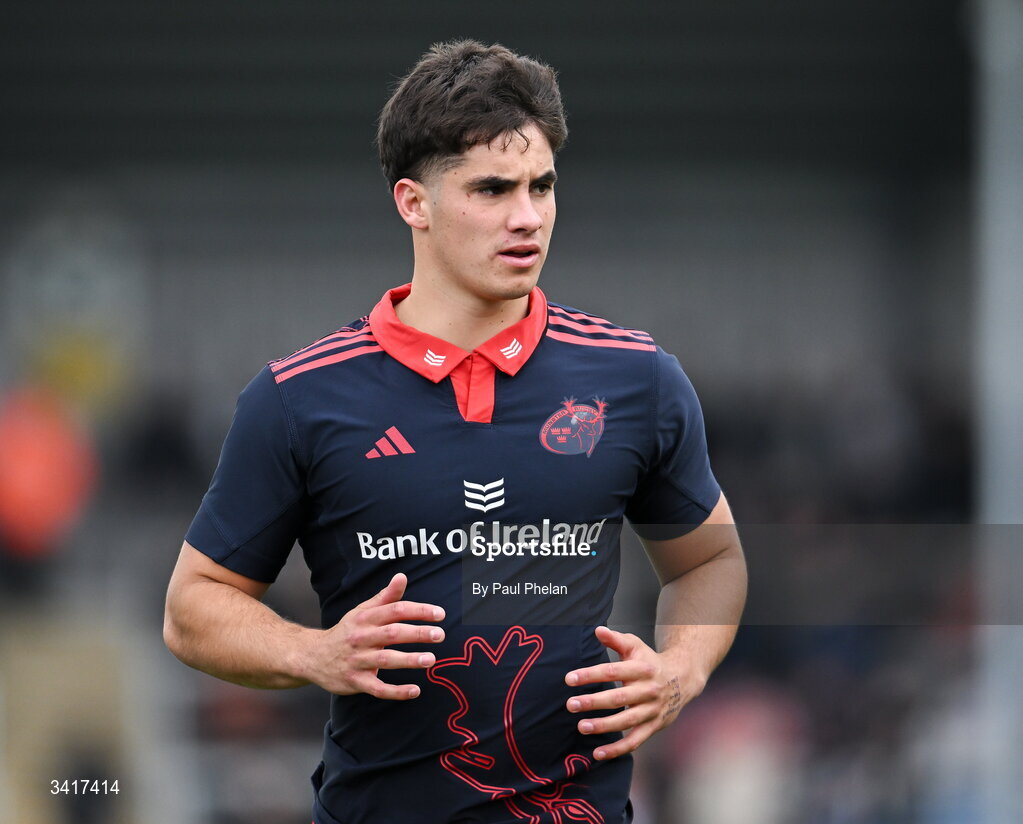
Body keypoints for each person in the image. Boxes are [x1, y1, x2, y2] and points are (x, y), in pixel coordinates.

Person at [164, 40, 746, 824]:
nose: (527, 217)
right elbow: (193, 609)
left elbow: (710, 558)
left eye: (542, 186)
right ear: (414, 203)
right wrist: (312, 651)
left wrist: (680, 670)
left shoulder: (635, 378)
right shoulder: (297, 397)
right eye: (492, 189)